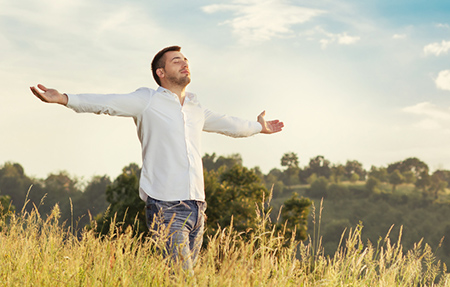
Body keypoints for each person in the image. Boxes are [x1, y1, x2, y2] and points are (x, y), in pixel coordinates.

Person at [30, 45, 284, 271]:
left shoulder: (196, 108)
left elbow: (230, 125)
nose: (185, 63)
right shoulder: (147, 101)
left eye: (185, 59)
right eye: (176, 60)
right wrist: (65, 99)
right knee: (183, 277)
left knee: (179, 278)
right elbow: (107, 103)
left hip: (198, 207)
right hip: (166, 206)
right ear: (160, 73)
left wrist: (258, 127)